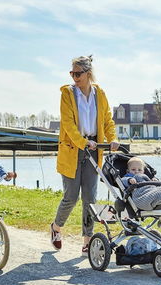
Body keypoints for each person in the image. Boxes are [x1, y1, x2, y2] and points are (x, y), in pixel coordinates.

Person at [51, 55, 119, 255]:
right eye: (72, 73)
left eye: (78, 73)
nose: (74, 77)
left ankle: (87, 241)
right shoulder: (67, 94)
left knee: (90, 198)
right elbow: (68, 125)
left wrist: (112, 138)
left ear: (88, 74)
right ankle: (56, 227)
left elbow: (107, 120)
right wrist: (82, 142)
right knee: (71, 197)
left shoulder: (100, 94)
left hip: (94, 149)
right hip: (73, 149)